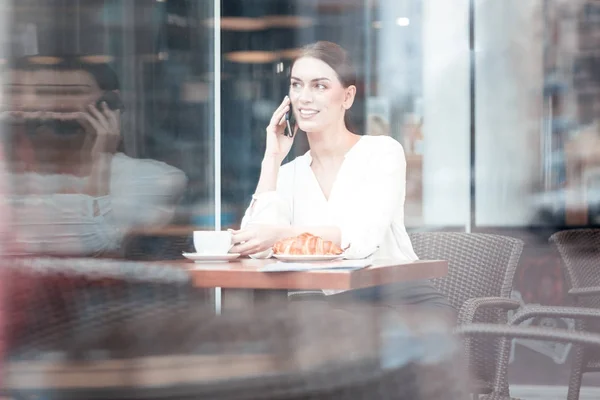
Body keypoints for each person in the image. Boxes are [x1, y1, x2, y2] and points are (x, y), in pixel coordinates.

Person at [230, 41, 453, 312]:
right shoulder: (288, 173)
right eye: (296, 85)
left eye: (319, 86)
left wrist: (281, 234)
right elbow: (257, 247)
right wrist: (273, 158)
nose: (304, 97)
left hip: (398, 302)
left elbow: (360, 240)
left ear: (347, 97)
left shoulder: (381, 152)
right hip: (326, 310)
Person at [1, 55, 187, 257]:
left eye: (73, 92)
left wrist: (102, 159)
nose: (56, 104)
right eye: (44, 93)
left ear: (110, 102)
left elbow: (91, 245)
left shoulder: (156, 178)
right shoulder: (14, 175)